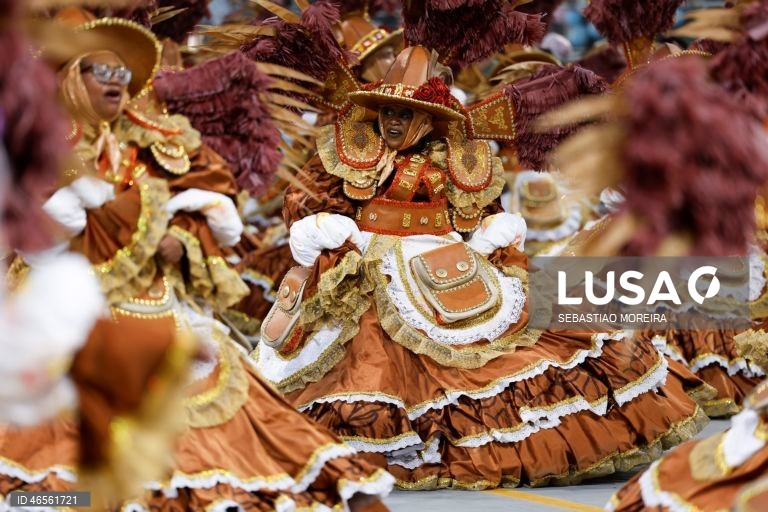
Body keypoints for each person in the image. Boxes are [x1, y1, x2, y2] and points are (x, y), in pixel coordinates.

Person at [252, 44, 709, 490]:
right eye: (386, 112)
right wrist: (323, 227)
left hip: (445, 267)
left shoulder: (457, 158)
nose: (392, 121)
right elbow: (306, 201)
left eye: (404, 113)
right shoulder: (348, 151)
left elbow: (484, 213)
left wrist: (492, 231)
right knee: (359, 357)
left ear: (429, 119)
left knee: (526, 337)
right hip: (363, 267)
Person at [0, 10, 393, 511]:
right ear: (71, 79)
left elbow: (210, 203)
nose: (118, 81)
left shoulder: (157, 145)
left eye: (123, 72)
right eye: (102, 71)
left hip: (155, 301)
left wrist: (180, 237)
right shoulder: (37, 150)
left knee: (226, 406)